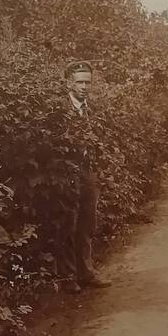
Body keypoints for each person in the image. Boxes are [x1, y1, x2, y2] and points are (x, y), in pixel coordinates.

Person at [59, 61, 112, 293]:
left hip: (88, 172)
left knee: (87, 223)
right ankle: (68, 277)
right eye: (79, 82)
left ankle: (86, 272)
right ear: (69, 82)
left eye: (87, 82)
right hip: (67, 172)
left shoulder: (92, 109)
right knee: (68, 224)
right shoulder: (59, 109)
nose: (83, 87)